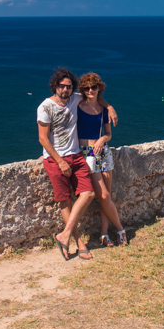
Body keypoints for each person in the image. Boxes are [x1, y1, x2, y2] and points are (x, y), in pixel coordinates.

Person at [37, 67, 117, 261]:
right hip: (56, 160)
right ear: (55, 86)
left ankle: (63, 235)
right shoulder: (45, 107)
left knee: (88, 193)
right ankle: (79, 242)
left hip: (76, 156)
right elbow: (43, 138)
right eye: (62, 86)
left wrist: (109, 107)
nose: (65, 90)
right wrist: (60, 162)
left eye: (69, 86)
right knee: (65, 201)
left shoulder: (75, 98)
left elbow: (95, 97)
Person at [77, 72, 127, 247]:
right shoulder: (77, 105)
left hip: (103, 152)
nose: (90, 90)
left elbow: (108, 134)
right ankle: (120, 229)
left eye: (94, 87)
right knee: (104, 195)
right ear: (82, 90)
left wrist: (101, 140)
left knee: (107, 196)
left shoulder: (104, 110)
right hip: (86, 153)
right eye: (87, 88)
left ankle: (105, 234)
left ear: (99, 88)